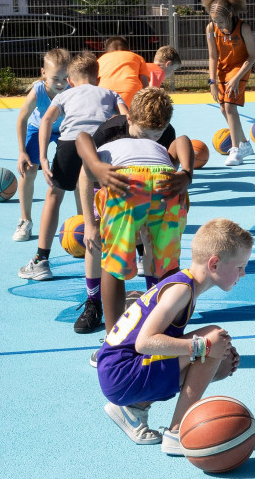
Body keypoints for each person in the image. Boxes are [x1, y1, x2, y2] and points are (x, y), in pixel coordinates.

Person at [97, 217, 249, 454]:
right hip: (121, 372)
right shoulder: (181, 291)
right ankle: (178, 432)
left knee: (221, 356)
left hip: (120, 371)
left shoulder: (185, 285)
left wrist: (209, 349)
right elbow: (144, 342)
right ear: (215, 264)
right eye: (240, 267)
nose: (244, 273)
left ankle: (134, 408)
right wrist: (203, 347)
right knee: (213, 340)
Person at [76, 86, 194, 346]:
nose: (150, 139)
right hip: (164, 184)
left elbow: (81, 139)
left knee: (114, 265)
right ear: (129, 119)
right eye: (146, 134)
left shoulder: (123, 143)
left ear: (164, 126)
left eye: (156, 135)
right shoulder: (110, 130)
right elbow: (184, 141)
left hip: (127, 182)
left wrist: (95, 165)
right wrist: (186, 172)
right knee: (169, 268)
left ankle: (113, 343)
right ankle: (165, 338)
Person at [19, 52, 126, 284]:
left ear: (70, 81)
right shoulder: (111, 93)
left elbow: (46, 120)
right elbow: (126, 119)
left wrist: (44, 158)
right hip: (100, 142)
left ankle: (41, 261)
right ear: (98, 78)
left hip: (70, 144)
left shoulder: (64, 95)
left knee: (54, 196)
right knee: (110, 196)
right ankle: (131, 253)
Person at [12, 48, 71, 242]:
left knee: (78, 172)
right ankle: (25, 220)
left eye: (65, 77)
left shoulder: (73, 89)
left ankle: (84, 221)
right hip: (38, 129)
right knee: (28, 170)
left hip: (65, 130)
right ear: (43, 74)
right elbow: (22, 118)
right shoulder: (38, 91)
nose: (61, 83)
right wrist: (21, 152)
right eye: (56, 78)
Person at [203, 0, 255, 166]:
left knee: (230, 107)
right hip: (221, 69)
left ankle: (236, 151)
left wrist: (236, 78)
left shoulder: (243, 28)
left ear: (229, 15)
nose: (217, 24)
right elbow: (213, 56)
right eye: (214, 20)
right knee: (222, 108)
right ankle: (245, 145)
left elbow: (252, 56)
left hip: (239, 68)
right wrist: (212, 80)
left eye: (219, 20)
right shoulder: (211, 29)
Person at [97, 36, 150, 108]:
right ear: (128, 49)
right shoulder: (137, 57)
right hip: (131, 92)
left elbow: (95, 81)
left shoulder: (100, 59)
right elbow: (145, 83)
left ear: (106, 51)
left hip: (105, 94)